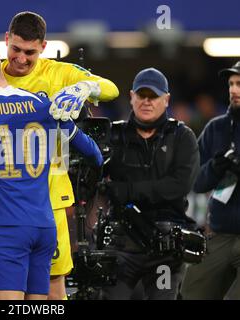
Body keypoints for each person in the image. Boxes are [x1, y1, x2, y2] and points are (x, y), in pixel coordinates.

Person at [0, 11, 119, 300]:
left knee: (49, 286)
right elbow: (94, 144)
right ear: (6, 40)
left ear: (43, 46)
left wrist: (85, 86)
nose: (22, 58)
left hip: (38, 204)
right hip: (13, 204)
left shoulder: (51, 75)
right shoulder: (29, 97)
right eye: (16, 49)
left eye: (30, 52)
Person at [100, 68, 200, 300]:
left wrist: (127, 191)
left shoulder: (182, 136)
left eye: (153, 96)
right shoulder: (114, 135)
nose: (146, 102)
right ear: (131, 96)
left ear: (166, 100)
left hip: (166, 248)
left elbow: (179, 186)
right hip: (122, 242)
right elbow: (93, 179)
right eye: (141, 95)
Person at [180, 61, 240, 300]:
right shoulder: (216, 129)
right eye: (232, 84)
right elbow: (196, 183)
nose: (234, 90)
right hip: (220, 233)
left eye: (239, 84)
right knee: (191, 292)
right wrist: (217, 167)